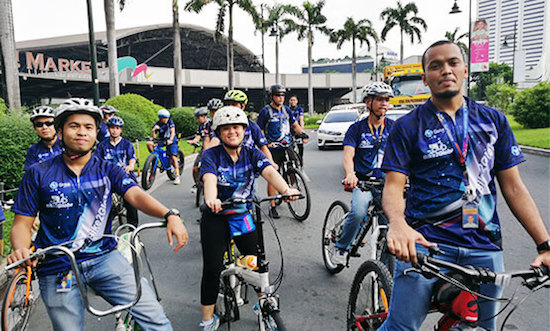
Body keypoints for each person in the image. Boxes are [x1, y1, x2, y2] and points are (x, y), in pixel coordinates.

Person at [379, 40, 550, 330]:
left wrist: (545, 245)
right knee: (401, 327)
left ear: (465, 70)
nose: (445, 70)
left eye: (452, 62)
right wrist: (397, 223)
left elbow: (514, 188)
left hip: (485, 247)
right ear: (425, 77)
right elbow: (394, 186)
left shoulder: (494, 121)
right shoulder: (407, 126)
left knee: (484, 328)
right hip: (426, 244)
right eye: (435, 65)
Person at [8, 98, 188, 331]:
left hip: (105, 259)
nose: (82, 132)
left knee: (157, 321)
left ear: (96, 133)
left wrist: (170, 214)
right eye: (74, 126)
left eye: (89, 127)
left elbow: (135, 195)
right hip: (57, 266)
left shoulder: (107, 168)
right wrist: (21, 249)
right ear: (60, 132)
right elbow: (22, 224)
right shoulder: (37, 173)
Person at [198, 106, 300, 330]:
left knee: (255, 262)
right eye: (226, 128)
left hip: (242, 215)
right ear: (218, 132)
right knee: (213, 269)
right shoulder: (211, 155)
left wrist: (286, 189)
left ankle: (263, 302)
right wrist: (211, 199)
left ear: (244, 130)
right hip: (215, 216)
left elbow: (269, 172)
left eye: (236, 127)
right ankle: (207, 320)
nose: (232, 132)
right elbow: (209, 179)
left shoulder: (252, 152)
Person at [333, 82, 395, 265]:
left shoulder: (394, 127)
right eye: (379, 99)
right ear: (368, 102)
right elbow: (348, 155)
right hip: (363, 182)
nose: (384, 103)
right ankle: (341, 247)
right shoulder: (356, 129)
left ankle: (383, 269)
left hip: (386, 183)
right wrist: (350, 174)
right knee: (359, 212)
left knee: (391, 225)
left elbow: (405, 154)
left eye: (387, 99)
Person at [256, 84, 308, 219]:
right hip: (273, 148)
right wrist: (266, 143)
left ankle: (289, 188)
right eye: (278, 95)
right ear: (272, 96)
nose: (281, 98)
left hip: (287, 145)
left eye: (283, 95)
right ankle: (272, 205)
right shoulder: (265, 111)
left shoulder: (286, 110)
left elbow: (295, 125)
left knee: (294, 167)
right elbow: (258, 130)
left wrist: (303, 134)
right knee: (273, 175)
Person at [95, 115, 139, 227]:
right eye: (112, 128)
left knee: (131, 201)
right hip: (107, 178)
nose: (115, 130)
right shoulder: (102, 146)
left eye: (117, 128)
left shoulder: (126, 144)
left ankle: (133, 229)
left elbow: (132, 158)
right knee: (102, 205)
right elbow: (96, 161)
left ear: (121, 130)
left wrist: (131, 165)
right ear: (108, 129)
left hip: (125, 175)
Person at [147, 108, 181, 185]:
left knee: (173, 157)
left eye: (167, 118)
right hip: (162, 140)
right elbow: (153, 137)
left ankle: (177, 176)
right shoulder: (157, 124)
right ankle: (154, 158)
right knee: (149, 144)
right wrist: (154, 130)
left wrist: (171, 139)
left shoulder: (170, 122)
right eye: (164, 118)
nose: (166, 119)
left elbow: (173, 132)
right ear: (160, 118)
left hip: (171, 141)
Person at [24, 106, 63, 171]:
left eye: (49, 123)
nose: (44, 127)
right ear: (35, 128)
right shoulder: (33, 150)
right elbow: (30, 175)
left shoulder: (68, 145)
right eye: (39, 124)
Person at [187, 107, 212, 192]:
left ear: (204, 116)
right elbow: (198, 136)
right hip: (204, 149)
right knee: (195, 168)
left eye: (198, 117)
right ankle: (198, 185)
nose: (197, 119)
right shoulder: (201, 126)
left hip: (213, 149)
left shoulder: (211, 124)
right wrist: (193, 141)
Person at [288, 95, 306, 166]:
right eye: (291, 100)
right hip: (289, 130)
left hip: (297, 129)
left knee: (300, 146)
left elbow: (301, 120)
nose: (293, 102)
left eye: (294, 100)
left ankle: (301, 158)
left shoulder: (299, 109)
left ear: (297, 101)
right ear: (289, 101)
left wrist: (302, 131)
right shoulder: (287, 109)